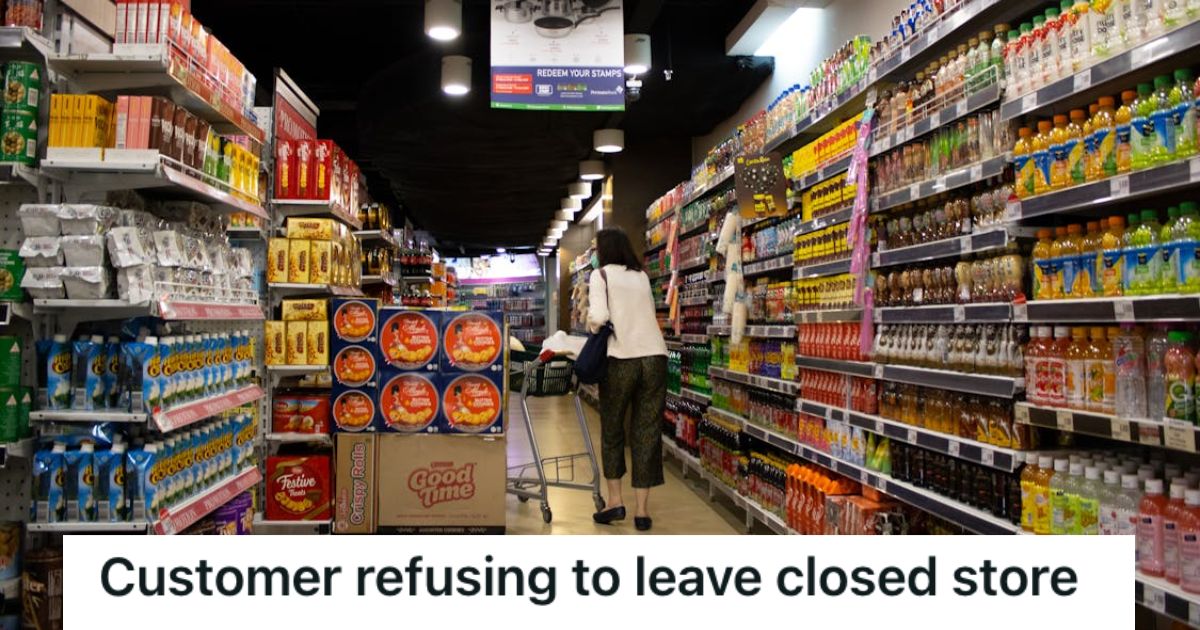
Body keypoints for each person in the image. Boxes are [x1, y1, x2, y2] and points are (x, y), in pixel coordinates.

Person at [586, 228, 668, 531]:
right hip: (655, 358)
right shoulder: (641, 275)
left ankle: (615, 502)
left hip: (621, 359)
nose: (594, 253)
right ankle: (642, 511)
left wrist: (591, 326)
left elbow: (598, 316)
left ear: (604, 250)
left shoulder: (601, 276)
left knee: (613, 430)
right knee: (646, 431)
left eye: (596, 248)